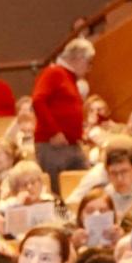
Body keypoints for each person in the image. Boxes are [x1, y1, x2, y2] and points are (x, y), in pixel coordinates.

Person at [32, 38, 93, 191]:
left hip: (71, 144)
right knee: (57, 191)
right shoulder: (54, 72)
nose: (89, 68)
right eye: (88, 63)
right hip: (53, 145)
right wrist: (54, 132)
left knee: (86, 187)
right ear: (78, 58)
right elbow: (38, 101)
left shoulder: (69, 78)